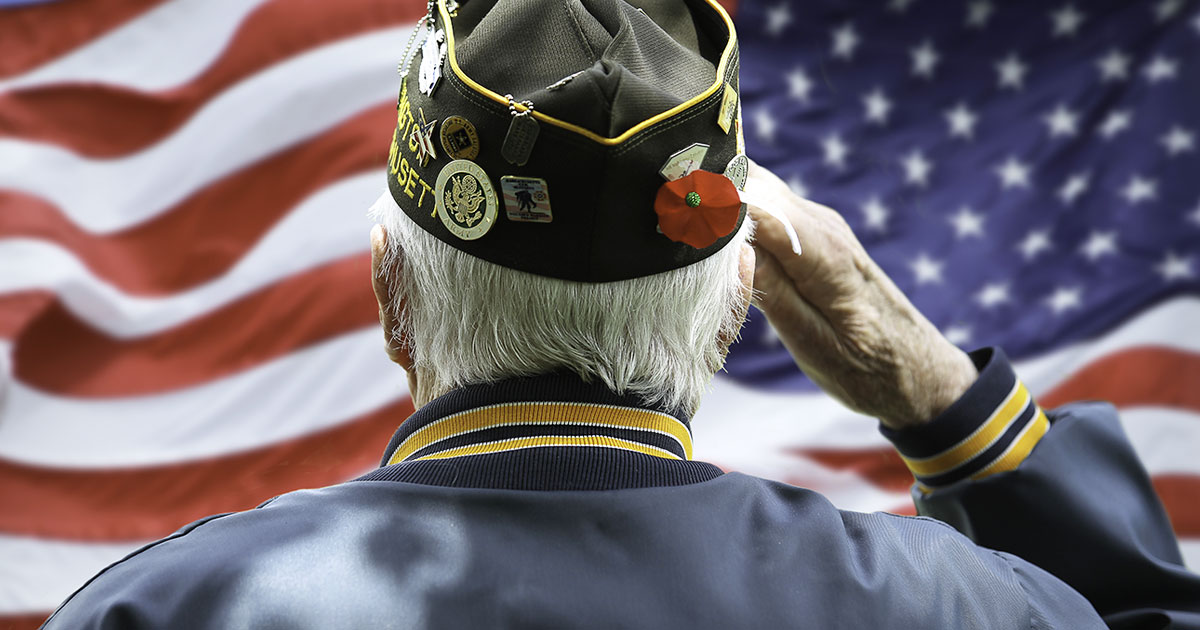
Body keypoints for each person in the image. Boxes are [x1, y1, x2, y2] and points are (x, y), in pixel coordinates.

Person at [43, 0, 1200, 628]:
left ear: (394, 300)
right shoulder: (967, 610)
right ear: (733, 307)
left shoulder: (164, 614)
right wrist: (945, 402)